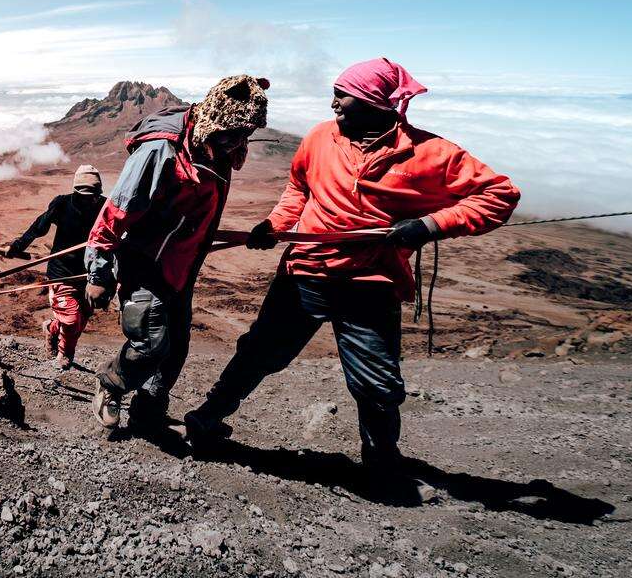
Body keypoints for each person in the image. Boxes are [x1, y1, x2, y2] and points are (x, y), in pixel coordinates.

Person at [183, 58, 520, 490]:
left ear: (376, 102)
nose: (334, 103)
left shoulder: (431, 153)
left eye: (345, 96)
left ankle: (380, 461)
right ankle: (205, 420)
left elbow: (500, 194)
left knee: (376, 382)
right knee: (259, 354)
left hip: (371, 283)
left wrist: (429, 225)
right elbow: (298, 188)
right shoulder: (320, 138)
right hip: (305, 270)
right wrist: (277, 225)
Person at [85, 75, 270, 431]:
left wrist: (252, 235)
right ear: (214, 118)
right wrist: (98, 272)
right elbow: (116, 211)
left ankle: (148, 408)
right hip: (145, 261)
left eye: (243, 136)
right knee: (151, 341)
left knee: (177, 345)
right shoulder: (161, 149)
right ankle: (110, 383)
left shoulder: (221, 146)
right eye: (231, 134)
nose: (236, 144)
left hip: (182, 266)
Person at [6, 165, 106, 369]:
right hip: (61, 272)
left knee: (82, 317)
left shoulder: (106, 207)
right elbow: (39, 226)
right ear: (76, 191)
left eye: (93, 195)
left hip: (89, 274)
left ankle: (51, 329)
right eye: (84, 195)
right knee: (71, 319)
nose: (89, 199)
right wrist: (18, 246)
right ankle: (65, 355)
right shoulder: (62, 204)